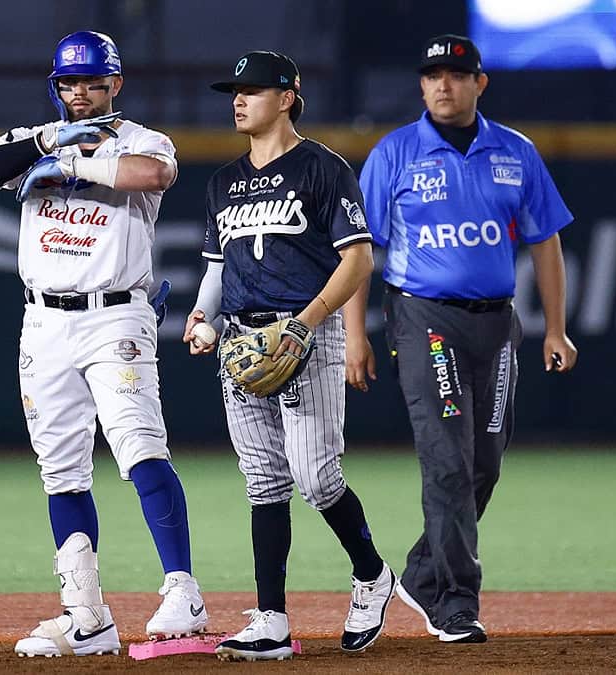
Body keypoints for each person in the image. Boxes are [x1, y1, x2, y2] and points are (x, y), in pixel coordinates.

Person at [0, 30, 207, 658]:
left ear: (115, 83)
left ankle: (183, 589)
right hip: (43, 323)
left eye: (94, 81)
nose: (81, 93)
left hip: (113, 316)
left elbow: (155, 174)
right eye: (70, 83)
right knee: (61, 469)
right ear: (56, 87)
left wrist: (73, 163)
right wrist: (43, 143)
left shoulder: (140, 139)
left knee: (139, 446)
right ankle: (87, 616)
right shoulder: (32, 138)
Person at [356, 34, 578, 644]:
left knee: (484, 462)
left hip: (498, 322)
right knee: (447, 461)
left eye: (456, 75)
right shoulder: (395, 153)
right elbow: (359, 252)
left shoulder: (516, 151)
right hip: (424, 317)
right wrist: (356, 336)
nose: (443, 86)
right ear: (421, 86)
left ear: (480, 83)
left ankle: (425, 573)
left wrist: (555, 327)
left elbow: (546, 240)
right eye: (432, 76)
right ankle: (456, 601)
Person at [183, 50, 396, 661]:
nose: (238, 99)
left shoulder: (323, 168)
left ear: (287, 96)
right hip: (242, 344)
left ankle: (371, 574)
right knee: (263, 482)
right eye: (235, 91)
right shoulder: (224, 181)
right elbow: (217, 266)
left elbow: (358, 259)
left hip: (307, 333)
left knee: (317, 475)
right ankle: (272, 620)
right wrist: (204, 315)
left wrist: (307, 323)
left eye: (252, 90)